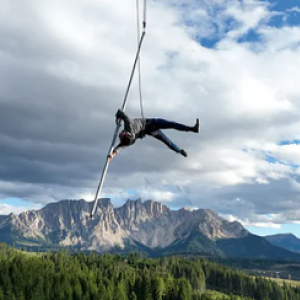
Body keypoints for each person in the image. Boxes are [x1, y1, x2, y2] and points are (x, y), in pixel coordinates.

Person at [108, 109, 200, 160]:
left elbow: (120, 146)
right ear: (126, 134)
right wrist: (117, 116)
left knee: (166, 141)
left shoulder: (129, 141)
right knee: (172, 125)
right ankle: (192, 129)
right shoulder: (129, 125)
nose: (119, 134)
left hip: (150, 131)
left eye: (119, 135)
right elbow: (120, 112)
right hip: (151, 124)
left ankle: (180, 151)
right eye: (121, 135)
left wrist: (113, 154)